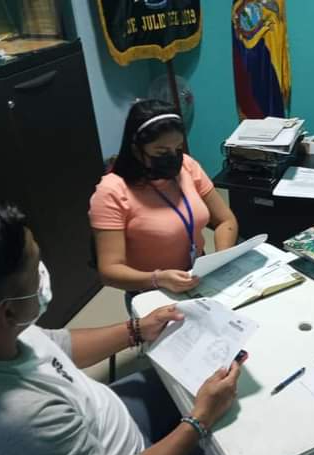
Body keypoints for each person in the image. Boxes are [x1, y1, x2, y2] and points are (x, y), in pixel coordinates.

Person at [0, 198, 247, 455]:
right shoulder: (16, 422)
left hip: (98, 424)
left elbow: (53, 345)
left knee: (185, 381)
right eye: (35, 268)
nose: (43, 273)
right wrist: (200, 419)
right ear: (7, 312)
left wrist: (136, 330)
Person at [89, 99, 239, 305]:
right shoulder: (111, 191)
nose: (173, 157)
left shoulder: (187, 166)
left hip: (198, 277)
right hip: (150, 291)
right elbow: (109, 271)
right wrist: (158, 278)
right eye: (161, 152)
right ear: (136, 150)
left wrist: (220, 260)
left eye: (178, 148)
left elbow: (225, 220)